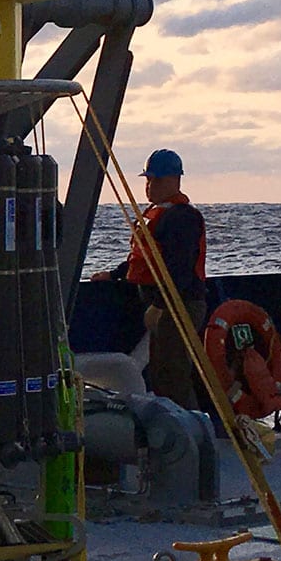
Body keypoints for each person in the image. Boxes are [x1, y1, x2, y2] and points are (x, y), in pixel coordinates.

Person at [92, 149, 207, 409]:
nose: (149, 186)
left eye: (155, 180)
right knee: (161, 372)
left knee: (173, 374)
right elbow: (144, 258)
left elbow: (179, 269)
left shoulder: (181, 218)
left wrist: (159, 306)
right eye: (147, 180)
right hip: (164, 304)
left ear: (173, 180)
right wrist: (114, 274)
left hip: (179, 305)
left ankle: (190, 429)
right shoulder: (157, 214)